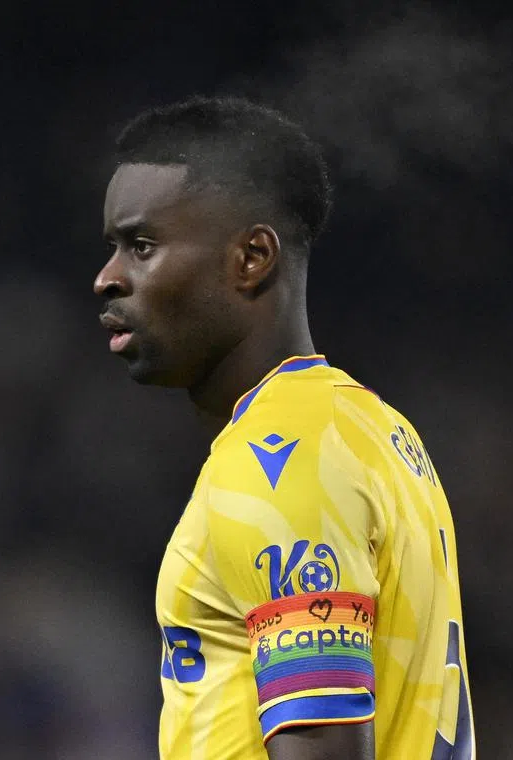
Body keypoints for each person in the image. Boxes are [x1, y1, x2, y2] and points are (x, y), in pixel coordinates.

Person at [94, 96, 475, 760]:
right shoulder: (373, 428)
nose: (108, 279)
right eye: (114, 249)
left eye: (142, 245)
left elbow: (325, 746)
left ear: (251, 258)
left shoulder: (278, 463)